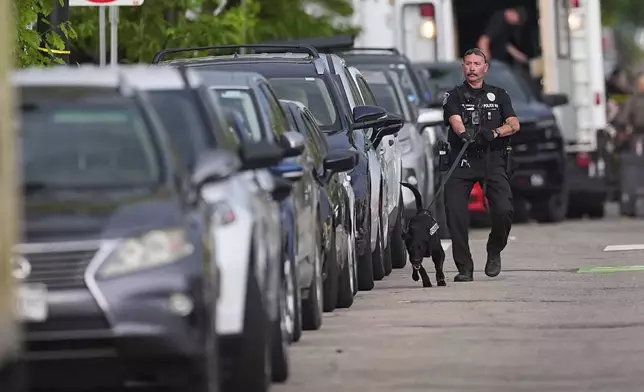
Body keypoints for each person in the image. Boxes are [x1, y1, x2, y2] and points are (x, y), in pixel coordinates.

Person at [442, 48, 521, 282]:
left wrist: (495, 133)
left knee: (503, 210)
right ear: (463, 67)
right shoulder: (454, 95)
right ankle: (464, 267)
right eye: (468, 64)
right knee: (454, 212)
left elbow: (514, 124)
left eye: (477, 64)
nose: (472, 68)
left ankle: (494, 249)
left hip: (492, 158)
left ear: (485, 68)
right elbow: (455, 120)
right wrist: (465, 134)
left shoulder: (499, 95)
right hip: (462, 158)